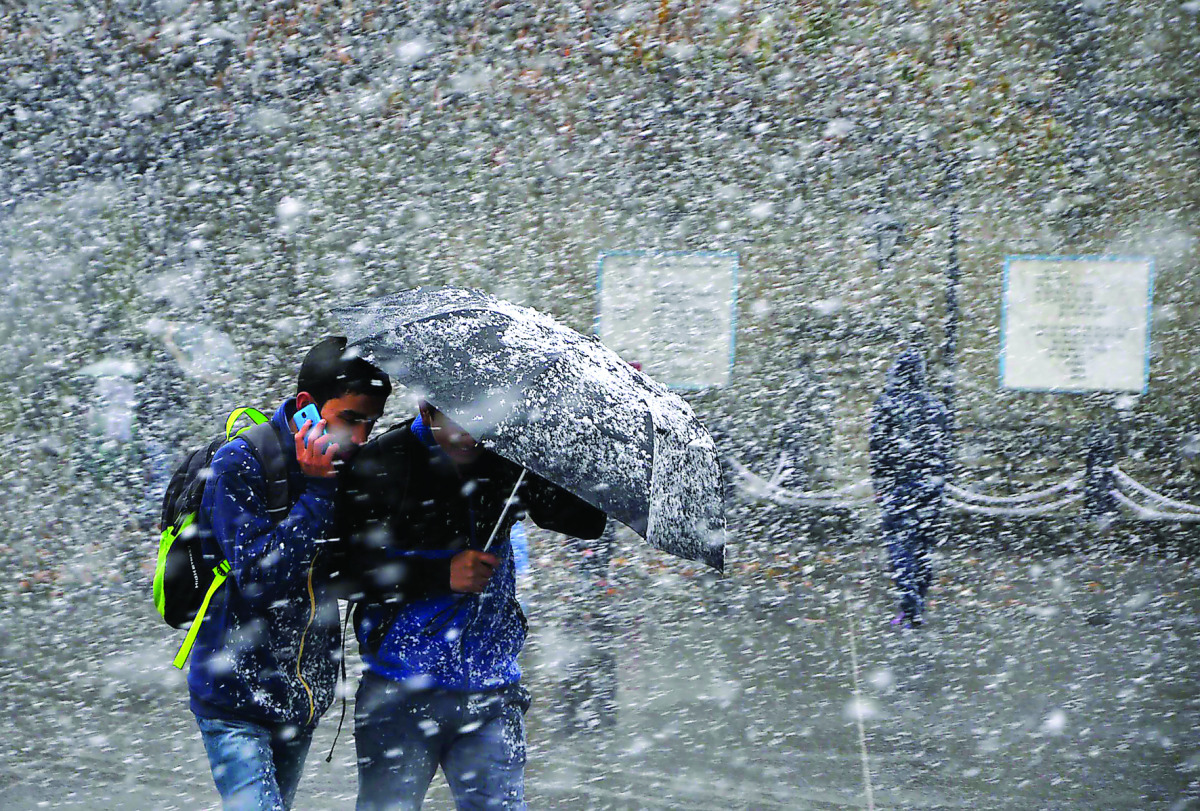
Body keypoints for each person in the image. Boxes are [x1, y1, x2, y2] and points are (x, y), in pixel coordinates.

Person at [337, 399, 607, 811]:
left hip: (492, 687)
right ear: (426, 409)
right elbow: (346, 571)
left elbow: (586, 521)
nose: (470, 433)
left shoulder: (505, 458)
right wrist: (439, 574)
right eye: (457, 419)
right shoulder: (385, 461)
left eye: (481, 419)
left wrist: (566, 449)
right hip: (399, 688)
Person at [188, 337, 391, 811]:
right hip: (234, 698)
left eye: (371, 424)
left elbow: (347, 573)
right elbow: (261, 579)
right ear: (306, 408)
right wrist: (318, 493)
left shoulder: (349, 467)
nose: (360, 437)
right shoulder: (241, 463)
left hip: (298, 702)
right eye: (351, 419)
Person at [869, 346, 949, 628]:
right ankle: (918, 601)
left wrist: (880, 483)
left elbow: (878, 449)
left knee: (899, 547)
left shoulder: (887, 404)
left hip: (900, 485)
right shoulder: (937, 407)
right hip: (930, 487)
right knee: (923, 548)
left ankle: (910, 606)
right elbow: (945, 449)